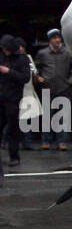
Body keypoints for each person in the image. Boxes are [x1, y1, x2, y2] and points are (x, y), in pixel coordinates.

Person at [35, 28, 72, 150]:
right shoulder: (43, 53)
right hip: (47, 88)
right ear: (50, 40)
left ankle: (61, 142)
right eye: (55, 38)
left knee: (62, 117)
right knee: (47, 116)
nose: (58, 40)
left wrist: (70, 81)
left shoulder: (67, 53)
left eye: (59, 37)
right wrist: (38, 77)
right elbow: (35, 67)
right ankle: (46, 140)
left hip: (63, 88)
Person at [0, 34, 30, 168]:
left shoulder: (21, 59)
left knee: (13, 129)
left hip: (13, 98)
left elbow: (25, 78)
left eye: (6, 49)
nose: (5, 51)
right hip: (2, 97)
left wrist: (8, 72)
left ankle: (14, 156)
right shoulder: (2, 57)